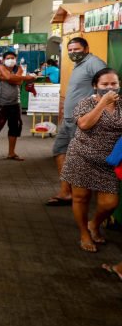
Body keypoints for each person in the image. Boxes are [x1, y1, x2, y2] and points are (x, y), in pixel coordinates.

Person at [60, 68, 122, 252]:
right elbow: (85, 124)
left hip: (110, 162)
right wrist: (102, 103)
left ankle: (94, 224)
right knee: (80, 198)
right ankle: (84, 233)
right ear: (95, 86)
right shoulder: (85, 103)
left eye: (114, 84)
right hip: (82, 157)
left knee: (109, 203)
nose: (109, 87)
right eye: (104, 84)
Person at [46, 38, 106, 206]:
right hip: (68, 119)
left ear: (86, 48)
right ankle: (66, 192)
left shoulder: (94, 62)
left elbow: (107, 84)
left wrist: (94, 106)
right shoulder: (79, 64)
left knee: (79, 158)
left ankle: (83, 196)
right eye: (70, 50)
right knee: (59, 151)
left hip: (81, 120)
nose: (73, 52)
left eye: (76, 49)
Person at [0, 51, 36, 160]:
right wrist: (26, 78)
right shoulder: (0, 68)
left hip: (15, 103)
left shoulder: (19, 68)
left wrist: (12, 78)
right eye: (8, 58)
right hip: (1, 103)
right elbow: (10, 78)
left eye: (13, 58)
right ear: (3, 60)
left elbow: (17, 82)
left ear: (16, 59)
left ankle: (11, 153)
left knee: (15, 127)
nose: (11, 60)